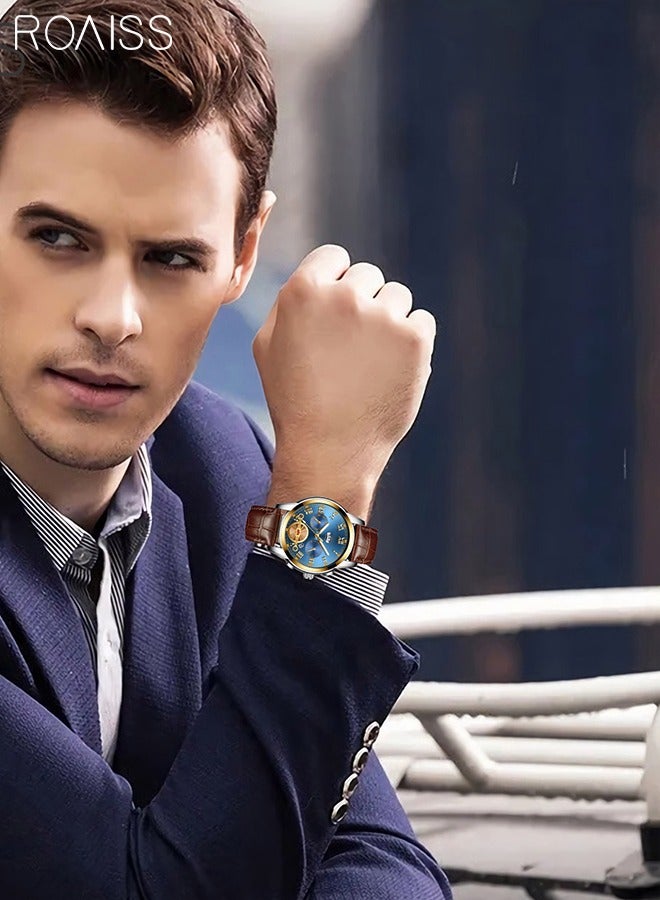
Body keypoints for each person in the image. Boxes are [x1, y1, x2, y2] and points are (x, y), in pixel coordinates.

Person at [0, 0, 451, 897]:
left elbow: (378, 859)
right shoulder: (281, 480)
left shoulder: (215, 460)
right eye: (57, 238)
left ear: (244, 255)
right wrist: (328, 489)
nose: (112, 318)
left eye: (171, 259)